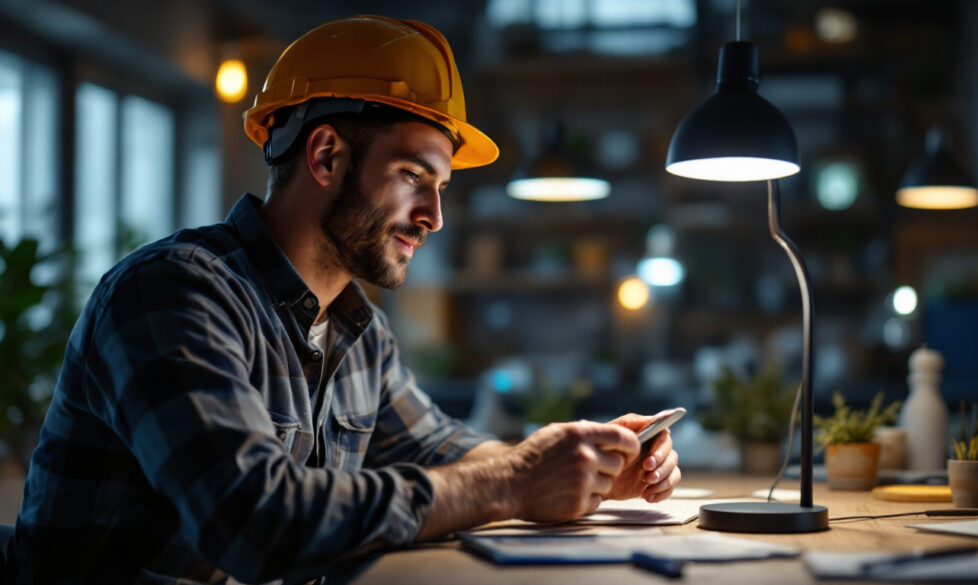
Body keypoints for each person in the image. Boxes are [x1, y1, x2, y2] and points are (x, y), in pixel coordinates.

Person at [11, 15, 681, 584]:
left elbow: (441, 448)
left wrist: (583, 463)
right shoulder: (172, 293)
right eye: (414, 176)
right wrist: (513, 481)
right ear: (327, 155)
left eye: (441, 186)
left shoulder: (357, 330)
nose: (434, 216)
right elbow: (250, 520)